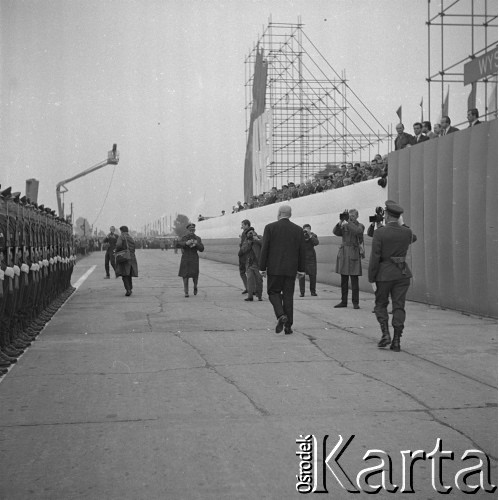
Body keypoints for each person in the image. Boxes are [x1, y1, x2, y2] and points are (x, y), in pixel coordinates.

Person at [368, 202, 417, 352]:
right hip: (402, 273)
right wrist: (402, 224)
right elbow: (413, 237)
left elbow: (375, 257)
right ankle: (396, 341)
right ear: (399, 216)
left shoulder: (380, 232)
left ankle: (385, 334)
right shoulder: (407, 232)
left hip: (384, 274)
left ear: (387, 215)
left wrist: (372, 277)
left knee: (380, 305)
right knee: (399, 306)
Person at [259, 205, 306, 335]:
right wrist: (301, 270)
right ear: (290, 214)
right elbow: (302, 251)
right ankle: (288, 327)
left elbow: (265, 249)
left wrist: (262, 267)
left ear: (279, 213)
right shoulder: (298, 230)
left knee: (273, 292)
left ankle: (281, 315)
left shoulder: (270, 228)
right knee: (288, 296)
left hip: (274, 269)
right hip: (291, 270)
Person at [333, 208, 365, 309]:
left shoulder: (360, 225)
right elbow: (336, 232)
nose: (350, 218)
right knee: (344, 280)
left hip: (354, 252)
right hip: (344, 254)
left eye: (353, 216)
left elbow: (357, 231)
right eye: (349, 216)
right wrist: (340, 222)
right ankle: (344, 301)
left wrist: (347, 223)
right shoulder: (344, 224)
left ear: (357, 216)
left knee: (354, 280)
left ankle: (355, 302)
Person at [176, 223, 204, 297]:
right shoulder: (184, 238)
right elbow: (178, 244)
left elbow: (202, 249)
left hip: (194, 257)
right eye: (190, 229)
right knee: (185, 275)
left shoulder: (198, 238)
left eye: (193, 229)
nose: (192, 231)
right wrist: (185, 243)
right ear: (187, 230)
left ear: (194, 230)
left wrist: (197, 244)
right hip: (185, 257)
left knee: (195, 274)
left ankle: (195, 286)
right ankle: (186, 291)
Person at [239, 227, 263, 302]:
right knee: (250, 280)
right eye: (250, 233)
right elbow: (242, 251)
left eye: (252, 232)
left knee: (259, 280)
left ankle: (259, 296)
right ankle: (250, 296)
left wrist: (257, 239)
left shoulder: (259, 238)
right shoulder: (246, 241)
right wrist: (249, 243)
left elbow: (264, 244)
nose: (252, 234)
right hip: (249, 264)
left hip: (258, 264)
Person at [115, 226, 138, 297]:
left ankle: (128, 290)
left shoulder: (121, 237)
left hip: (125, 258)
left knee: (124, 274)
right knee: (129, 274)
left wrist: (117, 251)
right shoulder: (130, 237)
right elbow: (134, 247)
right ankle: (130, 288)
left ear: (121, 231)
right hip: (132, 258)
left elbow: (118, 245)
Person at [299, 224, 319, 297]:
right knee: (301, 276)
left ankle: (313, 291)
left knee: (313, 275)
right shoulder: (300, 236)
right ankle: (302, 292)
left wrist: (310, 235)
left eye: (308, 229)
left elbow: (316, 243)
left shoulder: (313, 235)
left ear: (310, 230)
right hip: (302, 258)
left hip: (311, 258)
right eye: (305, 229)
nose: (306, 231)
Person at [238, 219, 251, 294]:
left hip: (244, 255)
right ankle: (249, 288)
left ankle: (248, 287)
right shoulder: (249, 232)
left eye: (242, 225)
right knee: (247, 272)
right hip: (246, 255)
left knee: (243, 272)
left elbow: (245, 245)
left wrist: (240, 251)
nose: (241, 227)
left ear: (246, 225)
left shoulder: (246, 233)